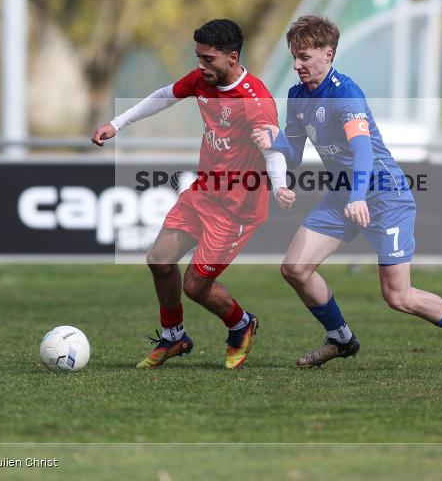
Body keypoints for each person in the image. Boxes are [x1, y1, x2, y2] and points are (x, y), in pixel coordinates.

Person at [251, 15, 442, 369]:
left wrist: (359, 196)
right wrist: (272, 144)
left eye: (304, 57)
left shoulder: (345, 93)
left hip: (383, 197)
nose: (296, 65)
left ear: (328, 54)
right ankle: (340, 337)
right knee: (294, 268)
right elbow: (294, 152)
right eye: (294, 56)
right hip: (343, 196)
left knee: (397, 295)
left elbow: (362, 149)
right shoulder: (297, 96)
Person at [92, 19, 296, 369]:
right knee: (158, 259)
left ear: (232, 58)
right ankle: (174, 337)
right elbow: (163, 97)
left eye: (208, 59)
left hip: (237, 208)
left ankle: (241, 323)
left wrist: (279, 186)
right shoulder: (203, 79)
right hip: (203, 193)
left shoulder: (256, 100)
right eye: (198, 57)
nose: (201, 65)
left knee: (196, 286)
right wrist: (117, 124)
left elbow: (271, 149)